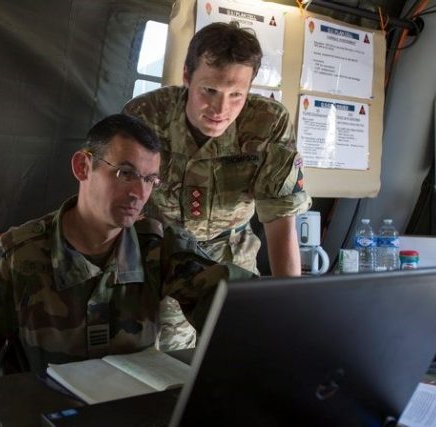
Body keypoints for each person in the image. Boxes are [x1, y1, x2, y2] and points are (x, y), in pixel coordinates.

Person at [0, 114, 252, 411]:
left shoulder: (158, 246)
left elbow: (234, 300)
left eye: (150, 180)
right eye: (125, 173)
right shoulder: (17, 254)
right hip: (38, 415)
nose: (139, 193)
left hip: (129, 414)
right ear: (82, 166)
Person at [123, 22, 312, 350]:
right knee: (168, 366)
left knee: (237, 358)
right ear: (186, 76)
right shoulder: (146, 116)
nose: (221, 110)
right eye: (208, 90)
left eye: (236, 95)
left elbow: (280, 219)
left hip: (232, 261)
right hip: (163, 260)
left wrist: (290, 308)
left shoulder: (267, 123)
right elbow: (118, 201)